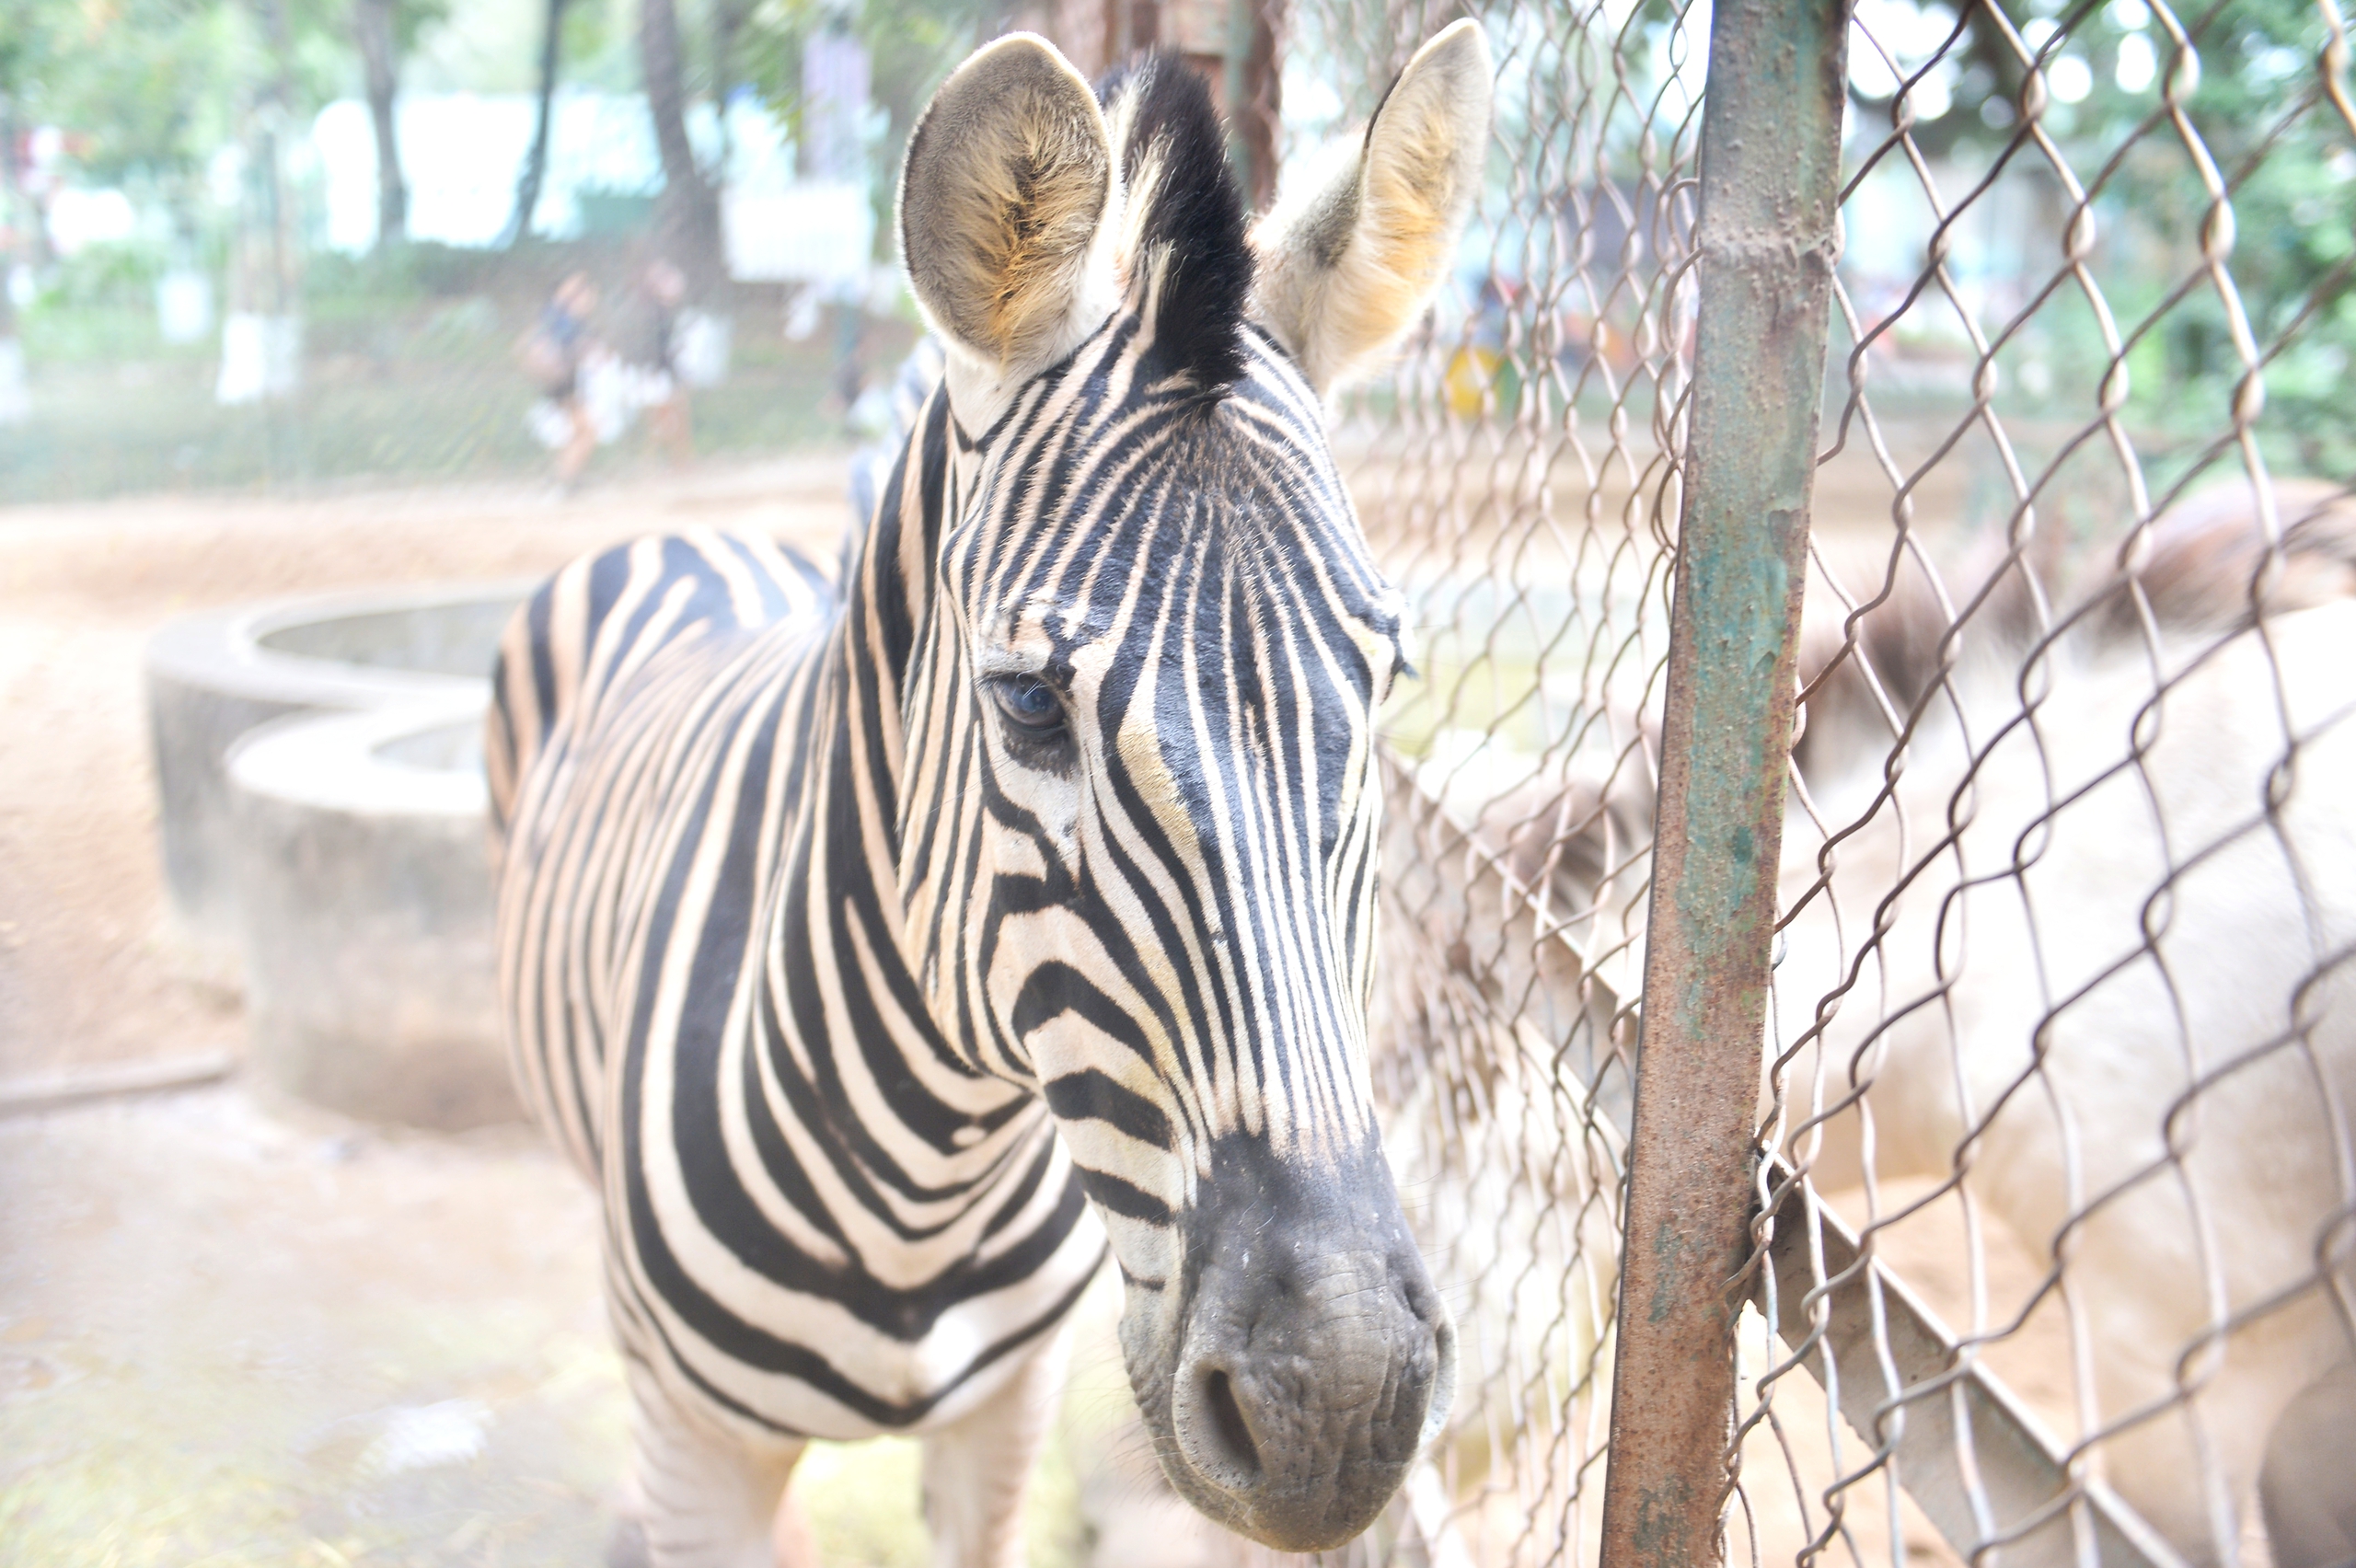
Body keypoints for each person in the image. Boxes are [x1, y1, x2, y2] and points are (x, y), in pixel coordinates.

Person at [520, 271, 600, 491]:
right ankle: (564, 480)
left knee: (580, 431)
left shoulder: (559, 316)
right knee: (586, 432)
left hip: (564, 381)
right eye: (579, 291)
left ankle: (566, 475)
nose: (586, 296)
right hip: (563, 382)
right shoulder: (562, 317)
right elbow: (548, 347)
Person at [615, 259, 693, 467]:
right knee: (664, 420)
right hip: (651, 374)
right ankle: (659, 461)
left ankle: (676, 461)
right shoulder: (651, 312)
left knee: (672, 417)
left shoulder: (663, 311)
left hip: (658, 372)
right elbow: (650, 349)